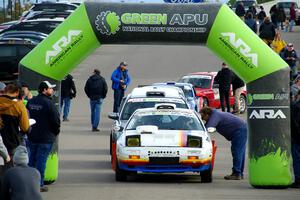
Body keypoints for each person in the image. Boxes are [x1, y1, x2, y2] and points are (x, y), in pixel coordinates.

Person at [26, 81, 60, 192]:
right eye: (50, 88)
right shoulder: (50, 104)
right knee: (41, 161)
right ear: (44, 90)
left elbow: (26, 117)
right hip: (46, 138)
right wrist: (55, 132)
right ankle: (39, 184)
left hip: (31, 136)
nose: (52, 90)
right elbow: (56, 121)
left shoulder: (31, 102)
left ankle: (30, 183)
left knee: (31, 161)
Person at [200, 107, 247, 180]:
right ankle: (239, 173)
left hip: (239, 130)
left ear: (207, 114)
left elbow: (208, 128)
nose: (204, 119)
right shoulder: (215, 114)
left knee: (237, 151)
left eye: (203, 117)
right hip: (241, 128)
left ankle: (236, 173)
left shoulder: (215, 115)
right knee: (240, 152)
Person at [0, 83, 30, 169]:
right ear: (16, 92)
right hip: (12, 141)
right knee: (11, 168)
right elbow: (25, 127)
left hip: (0, 141)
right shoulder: (19, 105)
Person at [290, 90, 300, 188]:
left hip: (297, 138)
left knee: (297, 159)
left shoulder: (295, 107)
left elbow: (294, 124)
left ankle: (298, 180)